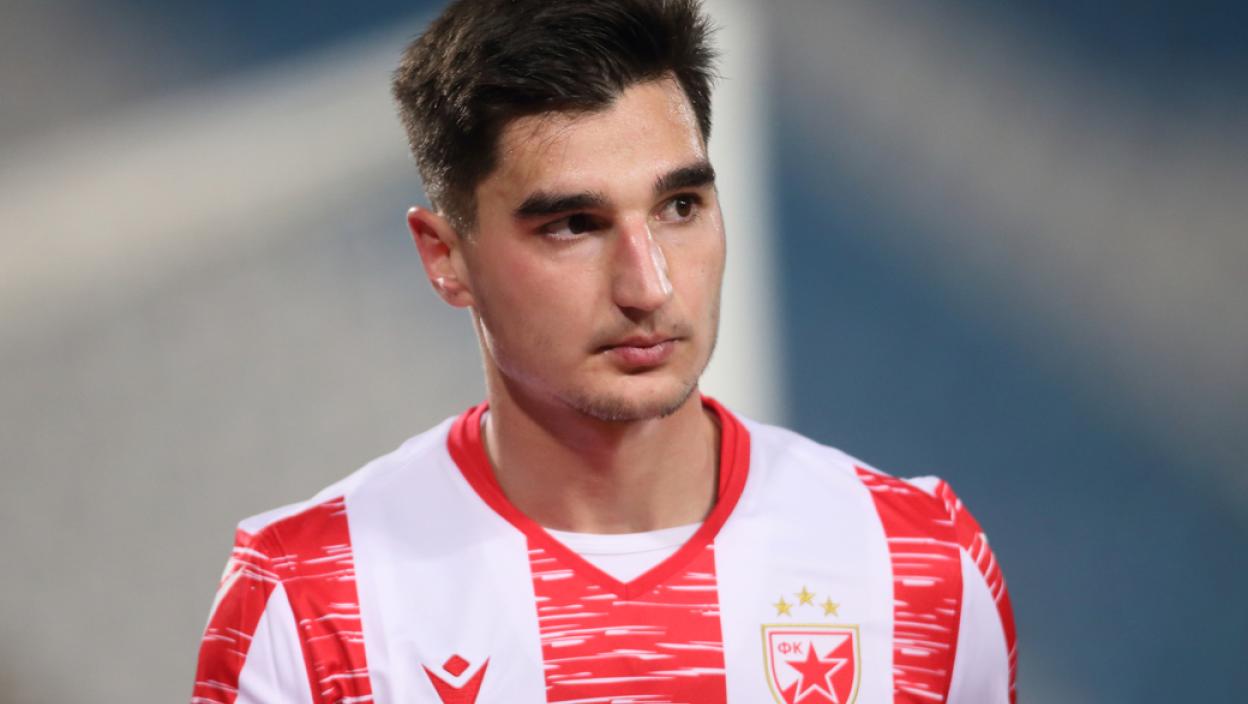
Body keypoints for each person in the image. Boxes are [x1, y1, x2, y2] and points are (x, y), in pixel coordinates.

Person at [190, 0, 1016, 702]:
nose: (649, 285)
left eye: (680, 207)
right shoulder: (309, 600)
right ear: (446, 258)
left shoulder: (919, 563)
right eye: (574, 225)